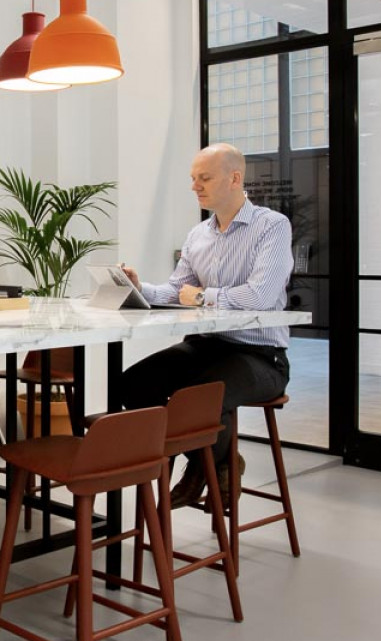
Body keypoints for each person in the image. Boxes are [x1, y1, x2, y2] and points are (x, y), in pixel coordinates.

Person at [120, 143, 293, 508]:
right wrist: (141, 288)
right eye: (193, 178)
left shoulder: (272, 227)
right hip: (204, 346)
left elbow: (260, 295)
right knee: (133, 384)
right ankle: (218, 463)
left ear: (235, 178)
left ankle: (202, 473)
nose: (194, 186)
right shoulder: (198, 235)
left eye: (204, 177)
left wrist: (201, 297)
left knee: (203, 394)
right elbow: (174, 289)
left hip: (261, 355)